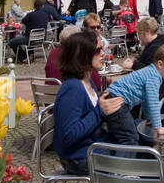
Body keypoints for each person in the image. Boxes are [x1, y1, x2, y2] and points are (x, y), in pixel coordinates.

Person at [52, 31, 126, 175]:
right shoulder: (73, 88)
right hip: (79, 158)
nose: (103, 53)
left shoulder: (88, 81)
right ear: (82, 55)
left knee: (137, 141)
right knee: (139, 157)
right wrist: (100, 111)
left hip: (92, 148)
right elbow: (68, 136)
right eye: (98, 50)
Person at [103, 44, 164, 146]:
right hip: (117, 101)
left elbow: (146, 100)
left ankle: (111, 156)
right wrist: (159, 128)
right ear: (160, 64)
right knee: (130, 138)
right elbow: (153, 102)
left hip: (114, 97)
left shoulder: (150, 72)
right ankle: (126, 161)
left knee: (119, 135)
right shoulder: (154, 77)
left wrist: (149, 119)